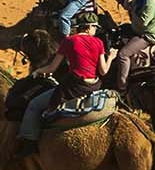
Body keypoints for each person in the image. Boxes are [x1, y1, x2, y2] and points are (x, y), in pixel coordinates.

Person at [16, 12, 111, 158]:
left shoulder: (69, 41)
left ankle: (29, 143)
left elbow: (52, 68)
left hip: (74, 87)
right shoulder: (98, 42)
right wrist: (111, 57)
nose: (95, 30)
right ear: (89, 27)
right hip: (94, 86)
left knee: (34, 105)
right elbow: (103, 71)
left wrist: (38, 72)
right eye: (94, 27)